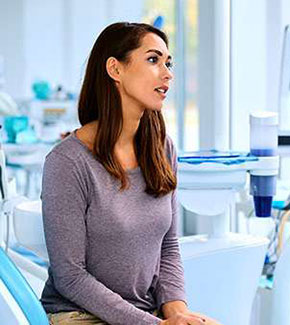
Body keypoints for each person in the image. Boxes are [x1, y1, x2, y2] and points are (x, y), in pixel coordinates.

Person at [40, 22, 218, 325]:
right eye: (153, 60)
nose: (167, 73)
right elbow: (70, 277)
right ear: (115, 69)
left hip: (147, 314)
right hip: (79, 315)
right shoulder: (67, 162)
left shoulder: (162, 149)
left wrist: (177, 313)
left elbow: (168, 246)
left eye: (168, 63)